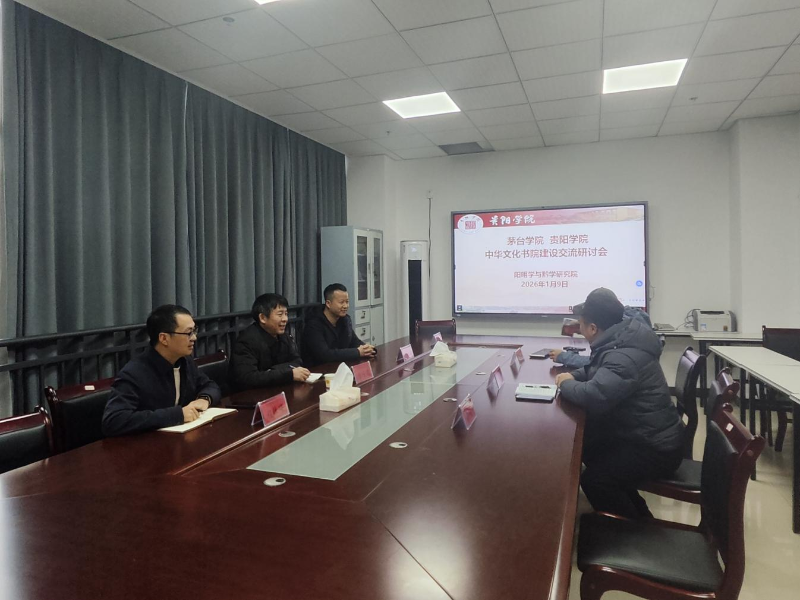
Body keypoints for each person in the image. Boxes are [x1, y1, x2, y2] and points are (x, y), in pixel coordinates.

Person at [555, 288, 684, 519]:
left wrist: (565, 384)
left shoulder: (622, 355)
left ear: (592, 328)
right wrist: (574, 376)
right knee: (589, 448)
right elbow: (597, 370)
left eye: (581, 324)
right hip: (645, 434)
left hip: (656, 448)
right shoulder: (620, 340)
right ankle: (639, 513)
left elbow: (594, 396)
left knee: (595, 480)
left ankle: (631, 529)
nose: (579, 328)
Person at [102, 305, 221, 437]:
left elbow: (210, 385)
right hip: (147, 444)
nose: (194, 338)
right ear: (164, 338)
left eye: (194, 331)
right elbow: (114, 420)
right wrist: (177, 414)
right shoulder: (134, 373)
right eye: (188, 333)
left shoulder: (184, 361)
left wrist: (204, 399)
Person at [230, 293, 310, 390]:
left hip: (279, 388)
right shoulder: (247, 341)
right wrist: (287, 374)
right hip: (253, 394)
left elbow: (297, 361)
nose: (285, 319)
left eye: (286, 314)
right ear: (263, 318)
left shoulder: (283, 336)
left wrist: (273, 372)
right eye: (280, 314)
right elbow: (248, 378)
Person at [548, 306, 653, 368]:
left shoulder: (622, 345)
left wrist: (564, 357)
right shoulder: (630, 329)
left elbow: (597, 364)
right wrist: (585, 328)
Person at [302, 283, 376, 366]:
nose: (345, 306)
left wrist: (368, 349)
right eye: (341, 302)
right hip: (317, 370)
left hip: (339, 366)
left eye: (347, 302)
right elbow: (325, 355)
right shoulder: (313, 325)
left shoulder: (345, 320)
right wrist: (357, 352)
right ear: (328, 303)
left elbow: (354, 341)